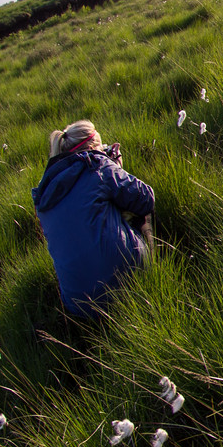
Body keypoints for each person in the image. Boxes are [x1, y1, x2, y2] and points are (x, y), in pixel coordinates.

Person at [31, 119, 155, 318]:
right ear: (93, 147)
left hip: (79, 307)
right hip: (125, 282)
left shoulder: (44, 193)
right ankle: (150, 276)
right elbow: (146, 199)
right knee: (138, 209)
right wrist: (117, 169)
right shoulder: (96, 164)